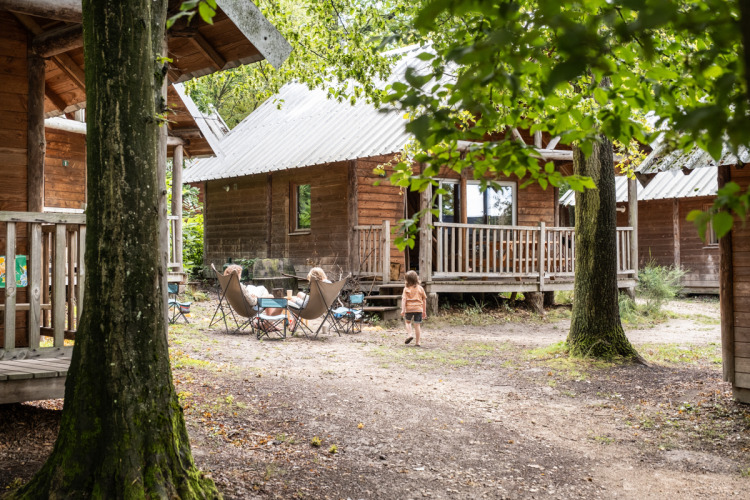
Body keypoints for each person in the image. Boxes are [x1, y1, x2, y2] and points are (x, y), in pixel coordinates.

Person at [401, 270, 427, 346]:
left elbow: (404, 300)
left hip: (409, 309)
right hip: (418, 309)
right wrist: (424, 311)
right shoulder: (420, 288)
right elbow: (424, 300)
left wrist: (403, 310)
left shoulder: (406, 289)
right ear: (416, 278)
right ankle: (418, 342)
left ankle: (410, 335)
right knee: (417, 325)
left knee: (408, 322)